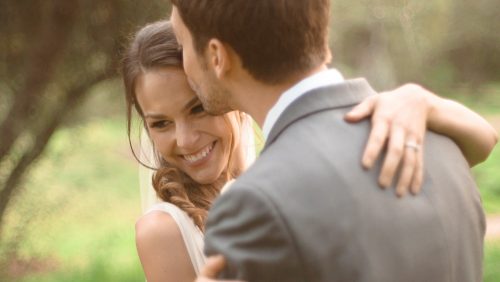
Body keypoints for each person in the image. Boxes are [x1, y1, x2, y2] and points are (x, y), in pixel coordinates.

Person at [122, 21, 497, 282]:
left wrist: (422, 100)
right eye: (160, 124)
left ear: (219, 88)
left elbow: (484, 141)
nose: (185, 140)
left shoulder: (282, 176)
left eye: (196, 109)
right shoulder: (163, 231)